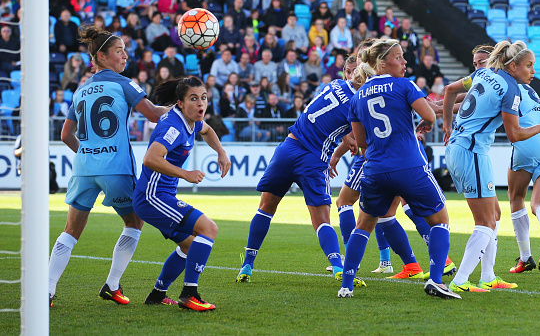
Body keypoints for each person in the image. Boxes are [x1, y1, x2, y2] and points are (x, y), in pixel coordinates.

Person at [49, 25, 170, 307]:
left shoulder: (80, 90)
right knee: (134, 222)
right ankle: (112, 285)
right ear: (102, 57)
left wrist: (89, 153)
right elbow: (152, 114)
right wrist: (177, 110)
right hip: (116, 169)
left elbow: (65, 134)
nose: (125, 56)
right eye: (119, 51)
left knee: (70, 230)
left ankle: (47, 290)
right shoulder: (124, 83)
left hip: (83, 168)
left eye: (125, 51)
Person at [338, 38, 459, 299]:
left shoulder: (358, 96)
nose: (404, 62)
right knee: (440, 220)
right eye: (399, 57)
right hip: (409, 166)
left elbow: (360, 144)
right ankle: (436, 280)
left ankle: (346, 285)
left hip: (375, 170)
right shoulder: (405, 84)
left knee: (364, 225)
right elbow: (428, 115)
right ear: (381, 63)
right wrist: (423, 125)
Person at [235, 52, 367, 289]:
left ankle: (247, 265)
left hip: (288, 147)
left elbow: (326, 117)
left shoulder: (333, 85)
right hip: (313, 159)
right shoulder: (358, 105)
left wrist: (344, 136)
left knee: (266, 207)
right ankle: (338, 267)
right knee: (321, 219)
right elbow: (359, 138)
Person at [442, 40, 540, 293]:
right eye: (529, 66)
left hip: (464, 148)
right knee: (486, 221)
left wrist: (447, 125)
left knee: (495, 215)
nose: (533, 71)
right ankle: (459, 281)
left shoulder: (483, 73)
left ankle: (487, 276)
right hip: (471, 152)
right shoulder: (512, 90)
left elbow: (449, 90)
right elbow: (515, 135)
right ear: (513, 65)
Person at [134, 76, 230, 311]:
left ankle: (157, 294)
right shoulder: (173, 127)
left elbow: (207, 131)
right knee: (208, 229)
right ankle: (189, 294)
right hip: (152, 196)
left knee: (189, 245)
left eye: (204, 98)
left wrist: (221, 152)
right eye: (194, 99)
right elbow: (150, 159)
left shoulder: (192, 120)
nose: (201, 104)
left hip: (158, 196)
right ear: (180, 103)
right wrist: (185, 174)